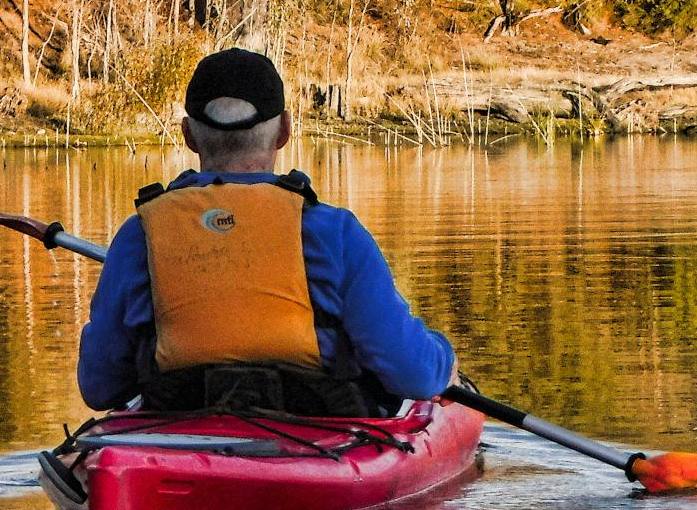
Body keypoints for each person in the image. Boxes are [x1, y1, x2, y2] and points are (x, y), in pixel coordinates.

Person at [77, 47, 455, 416]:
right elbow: (416, 375)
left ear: (188, 135)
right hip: (320, 437)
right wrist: (443, 359)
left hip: (178, 428)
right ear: (285, 131)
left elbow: (100, 387)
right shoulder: (335, 233)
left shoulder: (139, 233)